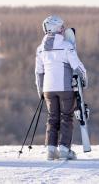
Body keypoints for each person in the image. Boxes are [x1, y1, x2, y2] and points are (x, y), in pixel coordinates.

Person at [35, 15, 87, 160]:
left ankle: (51, 149)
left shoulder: (40, 49)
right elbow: (78, 67)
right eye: (61, 27)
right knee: (66, 117)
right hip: (65, 89)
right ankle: (64, 149)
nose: (64, 29)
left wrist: (40, 90)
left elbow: (38, 72)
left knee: (52, 118)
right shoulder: (66, 46)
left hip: (48, 89)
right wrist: (85, 79)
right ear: (56, 28)